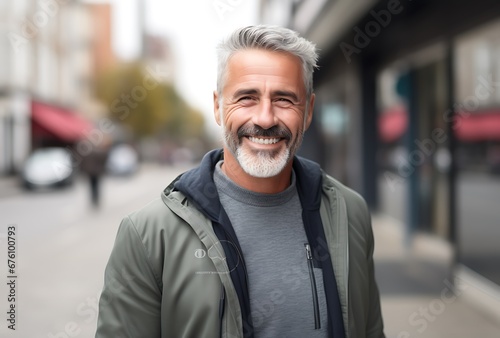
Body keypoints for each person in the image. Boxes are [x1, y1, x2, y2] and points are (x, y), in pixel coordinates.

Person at [95, 25, 385, 338]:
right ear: (218, 107)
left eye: (284, 99)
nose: (265, 118)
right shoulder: (148, 235)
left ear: (309, 111)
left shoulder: (350, 213)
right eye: (247, 97)